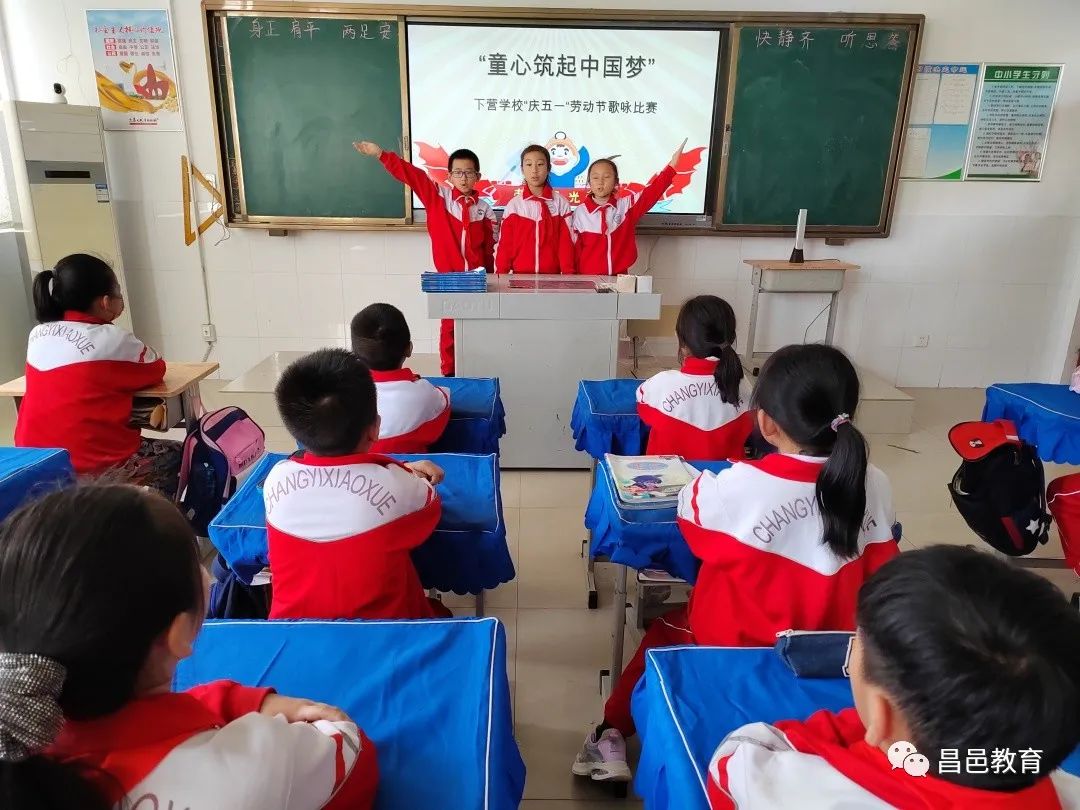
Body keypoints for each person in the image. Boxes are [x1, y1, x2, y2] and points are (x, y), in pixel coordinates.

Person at [574, 343, 898, 783]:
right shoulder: (874, 482)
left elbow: (691, 518)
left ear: (765, 422)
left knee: (664, 633)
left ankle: (608, 732)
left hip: (735, 649)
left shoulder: (743, 486)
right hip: (839, 654)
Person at [0, 484, 378, 809]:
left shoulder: (17, 749)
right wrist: (231, 706)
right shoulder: (252, 764)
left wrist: (224, 702)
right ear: (179, 633)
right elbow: (351, 748)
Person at [707, 545, 1080, 807]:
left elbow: (735, 757)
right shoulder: (1058, 785)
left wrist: (864, 734)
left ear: (882, 713)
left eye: (855, 645)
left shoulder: (802, 789)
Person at [267, 348, 450, 620]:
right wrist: (403, 470)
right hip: (384, 634)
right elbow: (430, 509)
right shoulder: (397, 484)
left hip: (295, 635)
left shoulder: (276, 479)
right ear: (375, 428)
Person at [14, 254, 181, 497]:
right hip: (91, 468)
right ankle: (146, 516)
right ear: (105, 302)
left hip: (37, 464)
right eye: (118, 294)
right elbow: (156, 367)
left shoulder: (38, 334)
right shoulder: (112, 339)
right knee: (179, 455)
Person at [354, 140, 495, 376]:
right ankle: (449, 374)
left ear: (478, 176)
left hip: (476, 281)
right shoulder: (438, 197)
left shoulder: (485, 210)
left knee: (477, 328)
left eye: (469, 172)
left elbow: (489, 250)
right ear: (449, 176)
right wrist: (381, 154)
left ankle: (477, 372)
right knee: (449, 328)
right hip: (448, 280)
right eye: (458, 172)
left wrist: (490, 279)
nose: (463, 178)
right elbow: (413, 175)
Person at [636, 295, 753, 459]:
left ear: (682, 342)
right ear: (731, 338)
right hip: (725, 475)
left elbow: (642, 409)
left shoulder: (660, 385)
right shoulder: (744, 385)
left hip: (668, 475)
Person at [571, 140, 685, 276]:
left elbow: (652, 191)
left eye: (607, 177)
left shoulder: (626, 207)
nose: (600, 182)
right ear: (589, 182)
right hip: (587, 279)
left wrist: (672, 166)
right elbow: (573, 251)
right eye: (595, 177)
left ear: (616, 182)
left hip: (620, 279)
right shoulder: (579, 213)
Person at [351, 303, 450, 453]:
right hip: (412, 467)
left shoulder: (340, 396)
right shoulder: (424, 394)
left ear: (355, 354)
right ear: (409, 349)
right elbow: (444, 404)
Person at [494, 144, 574, 275]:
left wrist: (568, 277)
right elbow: (505, 247)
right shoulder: (514, 206)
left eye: (540, 164)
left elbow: (566, 245)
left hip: (552, 279)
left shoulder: (561, 203)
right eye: (529, 165)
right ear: (522, 169)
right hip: (519, 278)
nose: (534, 170)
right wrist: (500, 277)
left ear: (548, 168)